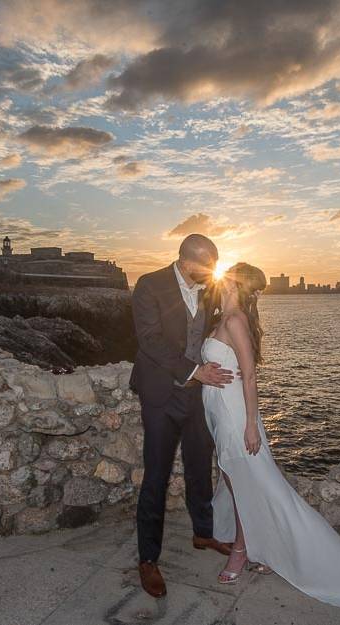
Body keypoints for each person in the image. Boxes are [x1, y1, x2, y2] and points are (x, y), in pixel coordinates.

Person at [200, 262, 340, 610]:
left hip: (235, 416)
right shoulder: (220, 317)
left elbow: (250, 377)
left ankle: (242, 551)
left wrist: (252, 425)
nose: (220, 280)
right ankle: (266, 549)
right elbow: (221, 367)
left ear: (234, 283)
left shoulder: (235, 319)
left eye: (226, 276)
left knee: (255, 486)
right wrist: (202, 374)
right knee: (234, 481)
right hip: (218, 412)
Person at [128, 233, 240, 598]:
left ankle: (203, 533)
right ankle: (148, 559)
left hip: (197, 396)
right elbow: (150, 340)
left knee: (198, 465)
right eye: (209, 265)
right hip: (161, 395)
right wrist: (195, 371)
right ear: (189, 261)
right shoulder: (150, 284)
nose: (213, 272)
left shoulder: (209, 289)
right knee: (156, 477)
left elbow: (211, 332)